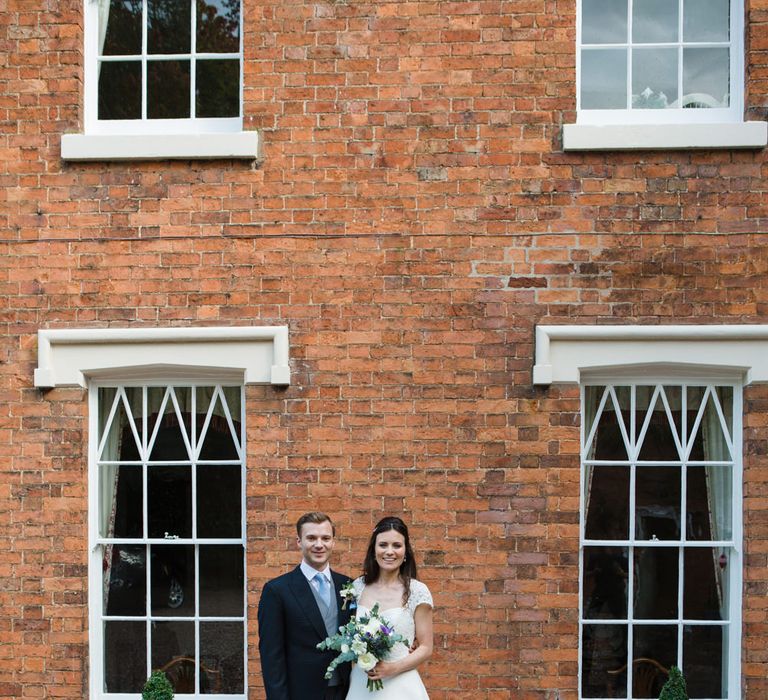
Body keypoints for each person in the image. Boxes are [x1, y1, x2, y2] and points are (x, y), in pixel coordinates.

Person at [258, 512, 353, 700]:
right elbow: (271, 657)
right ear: (299, 542)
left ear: (333, 542)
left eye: (325, 538)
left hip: (345, 691)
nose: (319, 544)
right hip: (301, 693)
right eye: (311, 538)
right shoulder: (277, 590)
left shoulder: (349, 586)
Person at [345, 516, 434, 700]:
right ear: (374, 549)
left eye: (397, 545)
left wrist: (392, 668)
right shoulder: (358, 587)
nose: (389, 552)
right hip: (362, 685)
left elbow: (425, 647)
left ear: (405, 551)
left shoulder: (417, 591)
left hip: (401, 684)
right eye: (383, 545)